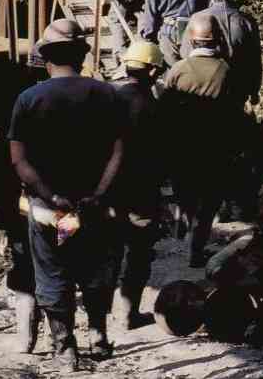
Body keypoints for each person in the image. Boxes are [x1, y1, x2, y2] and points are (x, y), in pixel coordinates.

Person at [8, 20, 124, 371]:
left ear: (45, 59)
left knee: (53, 272)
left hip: (51, 212)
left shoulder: (28, 99)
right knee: (95, 269)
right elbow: (120, 152)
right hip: (94, 209)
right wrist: (99, 194)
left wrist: (51, 195)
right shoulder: (107, 95)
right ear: (84, 54)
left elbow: (19, 161)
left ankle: (65, 349)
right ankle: (99, 337)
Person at [156, 13, 232, 267]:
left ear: (190, 39)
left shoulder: (178, 70)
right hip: (216, 147)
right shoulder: (225, 70)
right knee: (210, 200)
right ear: (216, 39)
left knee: (185, 193)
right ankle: (196, 246)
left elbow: (163, 112)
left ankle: (187, 229)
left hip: (182, 147)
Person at [110, 40, 165, 330]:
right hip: (142, 191)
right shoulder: (152, 107)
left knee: (108, 248)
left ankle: (100, 312)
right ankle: (128, 313)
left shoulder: (111, 99)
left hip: (107, 190)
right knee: (139, 252)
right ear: (153, 72)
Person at [180, 0, 262, 109]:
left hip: (203, 90)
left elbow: (185, 54)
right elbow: (254, 61)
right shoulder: (247, 21)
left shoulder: (197, 19)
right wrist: (254, 92)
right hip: (236, 90)